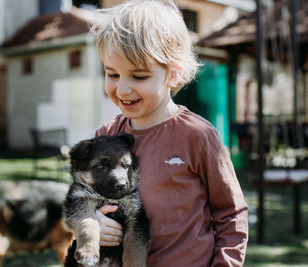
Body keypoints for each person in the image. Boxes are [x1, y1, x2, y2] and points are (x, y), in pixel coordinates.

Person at [92, 0, 248, 266]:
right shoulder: (105, 136)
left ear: (173, 74)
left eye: (139, 77)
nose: (123, 89)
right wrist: (94, 221)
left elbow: (230, 213)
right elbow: (87, 200)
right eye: (112, 74)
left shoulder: (197, 135)